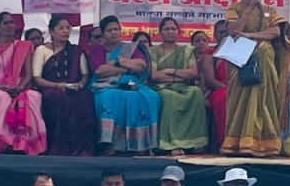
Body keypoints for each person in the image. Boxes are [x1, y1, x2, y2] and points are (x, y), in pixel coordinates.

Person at [221, 0, 288, 157]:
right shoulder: (234, 9)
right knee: (242, 100)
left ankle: (266, 145)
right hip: (241, 61)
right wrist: (249, 9)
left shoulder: (269, 10)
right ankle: (238, 144)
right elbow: (234, 31)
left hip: (265, 62)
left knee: (265, 100)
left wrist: (251, 36)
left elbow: (275, 32)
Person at [88, 15, 161, 155]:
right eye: (109, 30)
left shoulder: (131, 48)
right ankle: (112, 145)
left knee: (151, 96)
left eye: (116, 29)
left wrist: (116, 63)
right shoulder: (98, 49)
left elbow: (142, 65)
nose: (114, 32)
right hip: (106, 85)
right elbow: (100, 70)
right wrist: (129, 67)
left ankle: (142, 144)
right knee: (110, 96)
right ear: (103, 34)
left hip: (133, 84)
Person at [0, 12, 47, 155]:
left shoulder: (24, 46)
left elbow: (28, 73)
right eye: (6, 23)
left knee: (34, 96)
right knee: (4, 98)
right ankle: (5, 143)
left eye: (12, 22)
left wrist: (21, 87)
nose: (10, 26)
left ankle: (32, 142)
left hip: (18, 87)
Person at [33, 15, 96, 156]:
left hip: (74, 87)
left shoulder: (76, 50)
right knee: (59, 98)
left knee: (85, 97)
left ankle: (83, 149)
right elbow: (37, 78)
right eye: (61, 28)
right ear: (51, 31)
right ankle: (59, 148)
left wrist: (80, 84)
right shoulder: (42, 50)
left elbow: (85, 75)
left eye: (68, 28)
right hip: (52, 88)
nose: (65, 31)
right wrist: (57, 85)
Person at [150, 17, 209, 155]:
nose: (170, 31)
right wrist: (180, 75)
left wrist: (170, 71)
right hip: (162, 88)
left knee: (195, 92)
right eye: (167, 29)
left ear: (178, 32)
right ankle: (172, 144)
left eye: (173, 29)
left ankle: (195, 142)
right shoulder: (154, 51)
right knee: (169, 96)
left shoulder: (186, 51)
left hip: (184, 87)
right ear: (160, 32)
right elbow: (154, 75)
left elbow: (193, 73)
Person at [201, 20, 229, 151]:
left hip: (238, 90)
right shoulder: (210, 52)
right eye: (221, 32)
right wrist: (229, 89)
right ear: (215, 35)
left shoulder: (241, 52)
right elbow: (210, 80)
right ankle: (225, 142)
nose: (225, 35)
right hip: (219, 89)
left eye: (227, 32)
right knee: (224, 97)